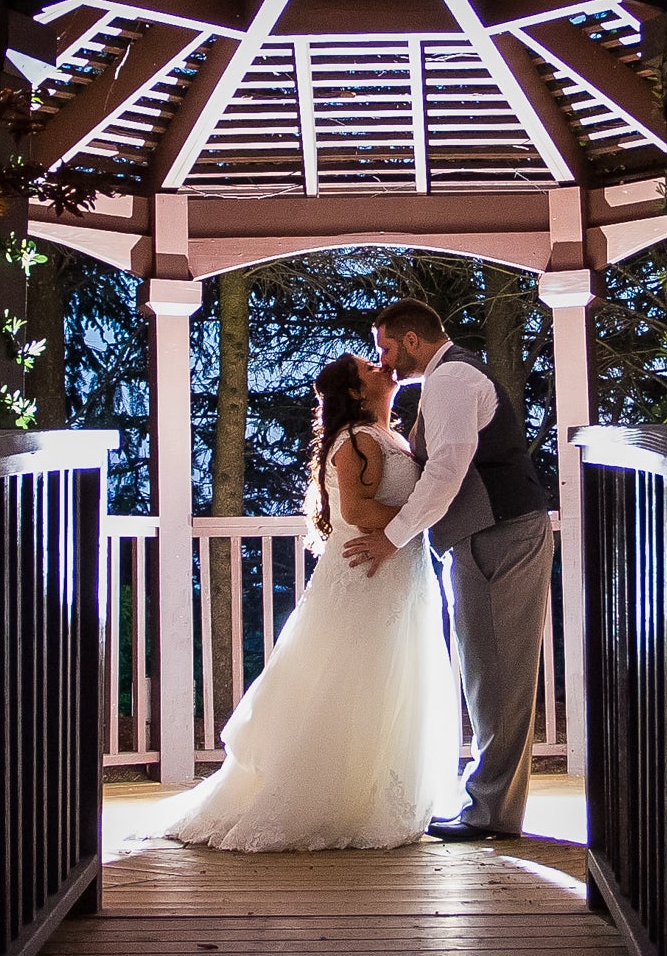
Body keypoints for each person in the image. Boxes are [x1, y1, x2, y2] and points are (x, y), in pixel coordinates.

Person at [152, 353, 464, 852]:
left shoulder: (390, 437)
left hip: (397, 575)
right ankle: (330, 796)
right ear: (358, 393)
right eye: (369, 367)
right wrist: (430, 506)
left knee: (388, 677)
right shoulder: (359, 441)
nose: (384, 367)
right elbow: (360, 512)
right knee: (354, 679)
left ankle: (377, 790)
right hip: (367, 576)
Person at [344, 296, 556, 840]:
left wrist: (392, 538)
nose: (383, 360)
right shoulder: (444, 383)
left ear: (412, 340)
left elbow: (445, 475)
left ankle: (491, 813)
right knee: (488, 670)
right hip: (483, 535)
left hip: (501, 534)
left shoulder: (454, 380)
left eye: (385, 348)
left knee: (500, 674)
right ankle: (490, 806)